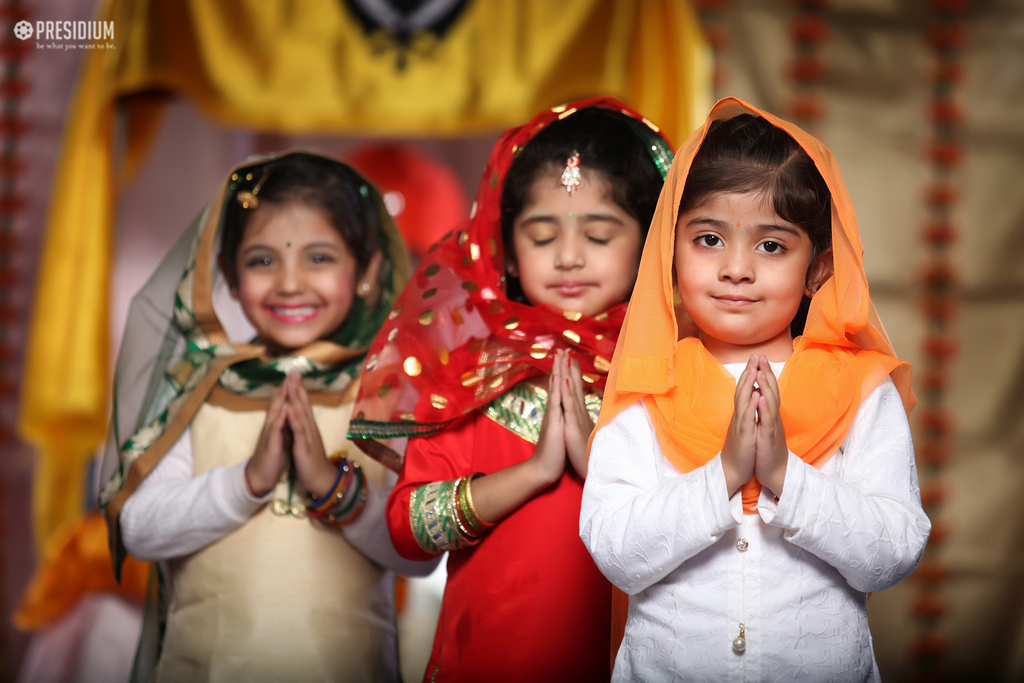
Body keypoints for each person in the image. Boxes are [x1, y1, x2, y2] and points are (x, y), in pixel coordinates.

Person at [580, 97, 931, 681]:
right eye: (709, 239)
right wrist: (723, 473)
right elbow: (616, 551)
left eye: (771, 246)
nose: (736, 268)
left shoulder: (859, 390)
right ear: (671, 250)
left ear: (817, 268)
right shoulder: (648, 387)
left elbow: (894, 550)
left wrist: (784, 477)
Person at [347, 98, 673, 682]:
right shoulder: (470, 371)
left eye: (599, 236)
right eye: (542, 235)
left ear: (649, 244)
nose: (569, 257)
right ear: (508, 253)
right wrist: (531, 473)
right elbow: (408, 528)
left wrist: (595, 464)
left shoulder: (672, 374)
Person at [98, 151, 436, 683]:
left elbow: (420, 557)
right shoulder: (200, 388)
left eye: (319, 257)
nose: (290, 282)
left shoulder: (384, 396)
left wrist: (332, 488)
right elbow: (137, 529)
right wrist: (249, 481)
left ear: (367, 270)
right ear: (229, 274)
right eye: (261, 260)